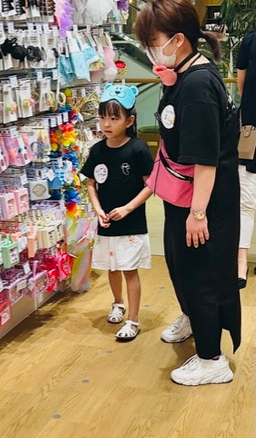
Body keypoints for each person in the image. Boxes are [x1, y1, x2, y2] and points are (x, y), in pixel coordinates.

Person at [135, 0, 241, 386]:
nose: (150, 49)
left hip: (203, 199)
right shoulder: (183, 74)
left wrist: (198, 213)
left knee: (202, 273)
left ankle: (212, 359)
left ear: (177, 39)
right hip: (181, 192)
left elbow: (206, 160)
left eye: (153, 41)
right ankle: (193, 318)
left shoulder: (197, 84)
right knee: (181, 264)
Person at [81, 84, 153, 342]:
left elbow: (151, 185)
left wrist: (128, 208)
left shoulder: (138, 149)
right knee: (112, 267)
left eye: (114, 118)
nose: (106, 124)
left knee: (129, 270)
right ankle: (117, 303)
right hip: (107, 223)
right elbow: (91, 183)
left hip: (131, 223)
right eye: (103, 117)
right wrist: (98, 210)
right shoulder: (97, 150)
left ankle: (133, 320)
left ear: (129, 120)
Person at [236, 29, 256, 287]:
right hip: (252, 131)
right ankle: (241, 261)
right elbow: (243, 87)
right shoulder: (250, 40)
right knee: (246, 200)